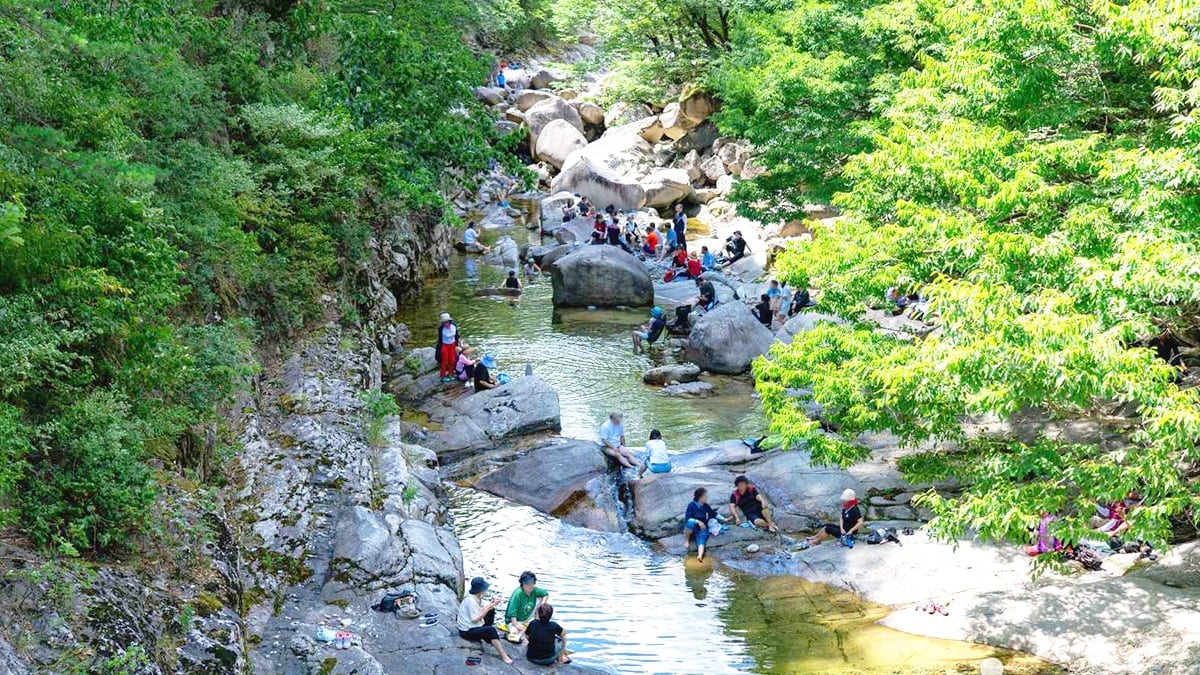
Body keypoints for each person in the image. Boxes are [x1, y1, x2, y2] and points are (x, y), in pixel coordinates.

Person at [457, 577, 513, 665]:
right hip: (466, 631)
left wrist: (491, 605)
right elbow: (475, 619)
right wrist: (488, 607)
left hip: (473, 625)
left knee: (491, 611)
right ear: (480, 590)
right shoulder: (470, 600)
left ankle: (489, 638)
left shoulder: (475, 597)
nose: (486, 591)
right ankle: (503, 655)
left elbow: (480, 610)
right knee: (491, 630)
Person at [504, 571, 549, 642]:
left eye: (532, 583)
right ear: (522, 584)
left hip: (527, 617)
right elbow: (512, 612)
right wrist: (516, 625)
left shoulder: (534, 590)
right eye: (527, 584)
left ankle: (537, 620)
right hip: (514, 620)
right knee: (516, 634)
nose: (530, 586)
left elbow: (545, 594)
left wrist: (541, 607)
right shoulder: (518, 594)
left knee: (540, 598)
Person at [684, 487, 721, 562]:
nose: (706, 498)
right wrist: (698, 521)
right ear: (700, 497)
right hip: (692, 527)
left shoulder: (705, 506)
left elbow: (712, 513)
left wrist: (724, 519)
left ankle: (700, 555)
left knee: (701, 539)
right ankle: (686, 540)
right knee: (690, 522)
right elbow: (688, 519)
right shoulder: (691, 505)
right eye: (705, 496)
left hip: (702, 528)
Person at [435, 312, 461, 382]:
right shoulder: (441, 329)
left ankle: (451, 374)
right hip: (444, 346)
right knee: (445, 361)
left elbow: (457, 336)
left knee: (452, 360)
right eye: (444, 322)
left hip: (452, 345)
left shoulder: (454, 326)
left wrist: (457, 345)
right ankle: (443, 376)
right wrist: (439, 349)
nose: (446, 323)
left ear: (450, 321)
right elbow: (440, 339)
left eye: (447, 321)